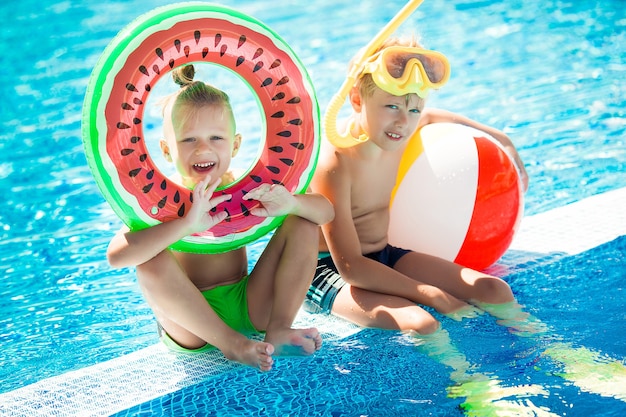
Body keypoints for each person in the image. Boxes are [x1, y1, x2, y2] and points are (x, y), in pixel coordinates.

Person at [107, 64, 334, 372]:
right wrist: (185, 224)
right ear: (166, 150)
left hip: (248, 302)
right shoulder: (160, 200)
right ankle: (231, 344)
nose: (203, 149)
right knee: (149, 259)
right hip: (192, 326)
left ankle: (279, 327)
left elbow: (325, 212)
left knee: (302, 219)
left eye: (216, 137)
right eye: (189, 140)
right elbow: (117, 257)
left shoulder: (247, 187)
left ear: (236, 145)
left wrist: (290, 203)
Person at [305, 36, 529, 335]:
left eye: (413, 110)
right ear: (357, 99)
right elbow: (351, 267)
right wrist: (428, 293)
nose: (403, 122)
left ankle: (557, 356)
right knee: (421, 323)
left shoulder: (402, 128)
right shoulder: (334, 162)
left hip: (383, 255)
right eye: (391, 107)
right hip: (328, 270)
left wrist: (504, 140)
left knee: (494, 289)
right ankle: (469, 381)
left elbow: (441, 117)